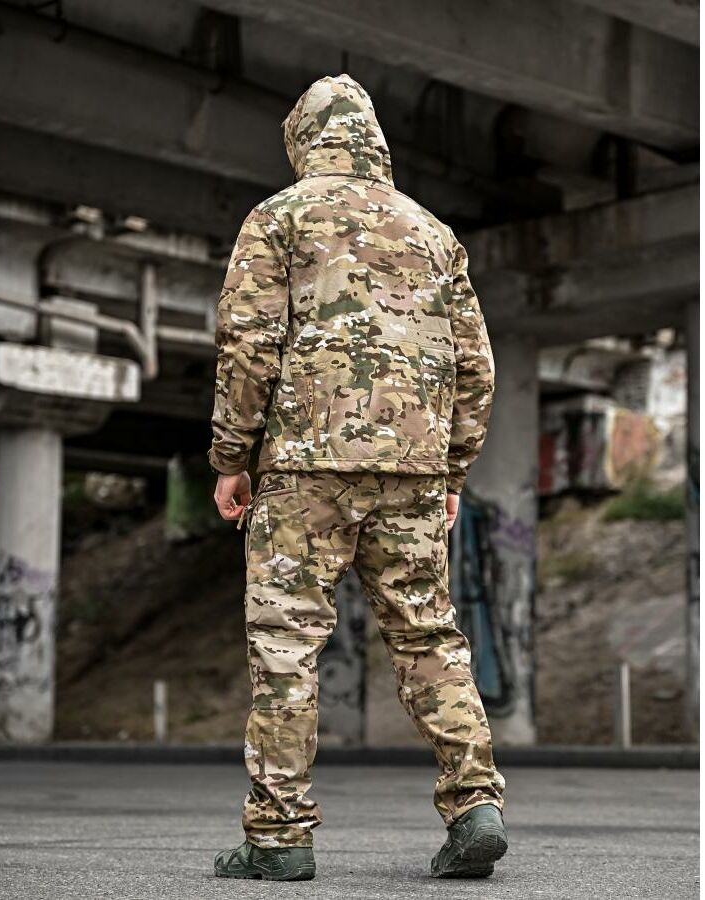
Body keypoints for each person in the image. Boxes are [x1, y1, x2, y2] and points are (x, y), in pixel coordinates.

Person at [209, 74, 506, 882]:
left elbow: (248, 347)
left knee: (286, 645)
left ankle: (279, 837)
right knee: (427, 633)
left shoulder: (278, 217)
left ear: (305, 140)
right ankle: (475, 806)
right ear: (375, 140)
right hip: (413, 471)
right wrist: (451, 469)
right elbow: (477, 368)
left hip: (305, 468)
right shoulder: (434, 233)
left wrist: (231, 457)